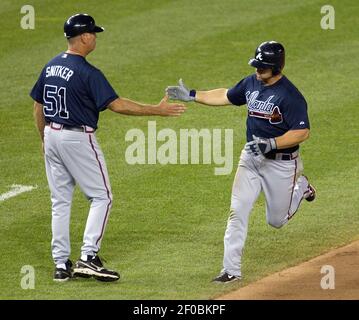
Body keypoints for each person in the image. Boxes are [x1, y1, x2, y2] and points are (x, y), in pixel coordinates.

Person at [30, 13, 185, 282]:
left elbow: (38, 106)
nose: (96, 37)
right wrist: (157, 110)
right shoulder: (88, 72)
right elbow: (117, 104)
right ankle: (88, 257)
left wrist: (44, 138)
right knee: (102, 197)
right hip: (77, 138)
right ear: (85, 37)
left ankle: (60, 265)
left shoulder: (51, 65)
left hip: (52, 134)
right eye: (94, 33)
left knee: (60, 201)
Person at [166, 41, 316, 283]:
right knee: (237, 211)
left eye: (262, 67)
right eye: (256, 65)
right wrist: (194, 95)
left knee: (276, 221)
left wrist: (272, 143)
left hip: (282, 164)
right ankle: (231, 270)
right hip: (251, 159)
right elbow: (226, 95)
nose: (257, 70)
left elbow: (302, 132)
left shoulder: (291, 96)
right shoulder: (251, 82)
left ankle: (302, 187)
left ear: (276, 67)